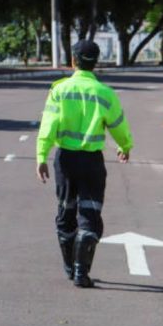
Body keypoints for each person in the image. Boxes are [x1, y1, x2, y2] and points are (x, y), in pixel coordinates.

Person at [36, 40, 134, 288]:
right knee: (90, 214)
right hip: (92, 163)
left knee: (66, 213)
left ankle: (70, 267)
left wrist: (41, 156)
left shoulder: (59, 90)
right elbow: (118, 125)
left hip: (65, 161)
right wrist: (125, 146)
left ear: (73, 61)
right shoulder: (105, 93)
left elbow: (48, 125)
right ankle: (81, 272)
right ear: (96, 62)